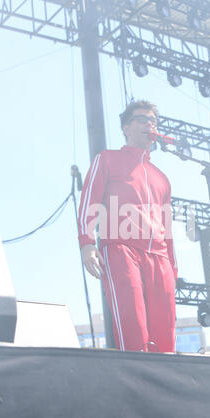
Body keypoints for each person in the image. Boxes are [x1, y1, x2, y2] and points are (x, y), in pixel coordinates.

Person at [78, 100, 178, 353]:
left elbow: (167, 226)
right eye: (142, 119)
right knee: (133, 327)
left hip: (160, 258)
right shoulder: (107, 159)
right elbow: (90, 201)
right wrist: (87, 243)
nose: (150, 124)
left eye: (153, 121)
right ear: (126, 127)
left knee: (165, 331)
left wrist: (172, 266)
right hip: (121, 250)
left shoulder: (162, 178)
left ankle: (166, 388)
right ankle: (136, 387)